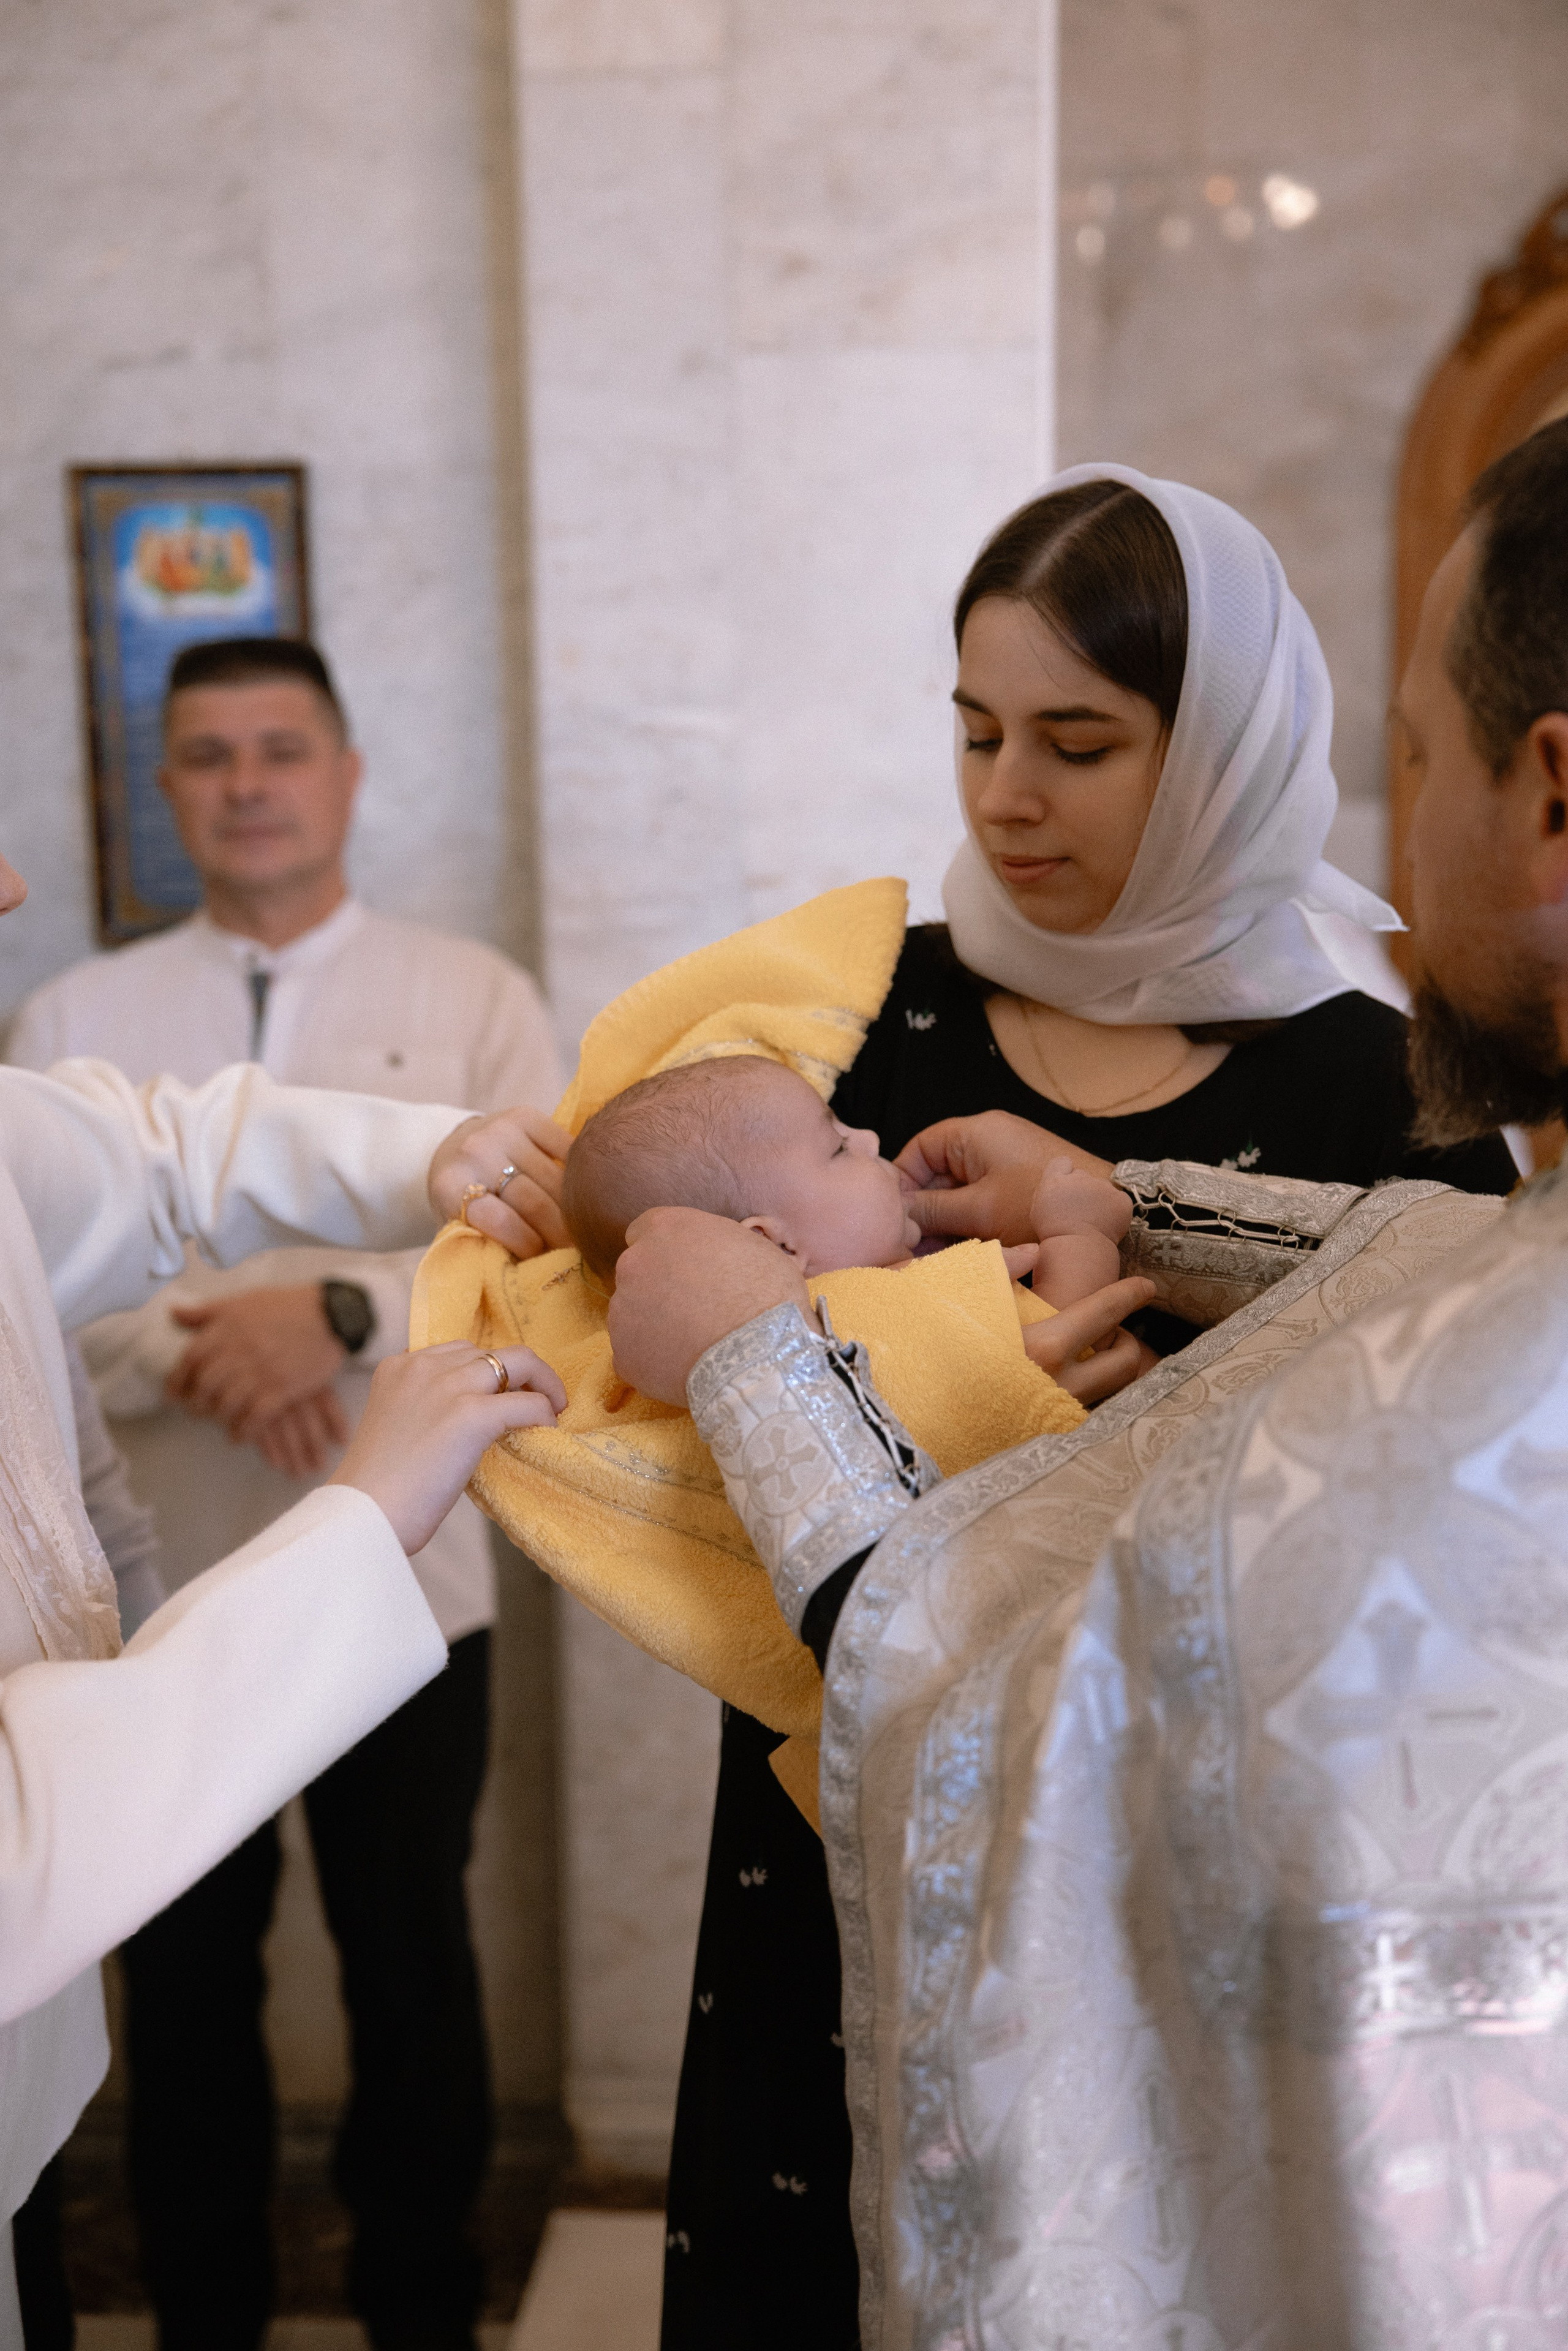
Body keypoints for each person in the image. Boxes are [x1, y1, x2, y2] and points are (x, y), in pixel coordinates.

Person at [607, 420, 1568, 2342]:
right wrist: (1110, 1200)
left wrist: (769, 1365)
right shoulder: (880, 1006)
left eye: (1405, 758)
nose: (1011, 792)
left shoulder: (1411, 1115)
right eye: (976, 731)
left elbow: (1033, 1729)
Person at [6, 634, 564, 2351]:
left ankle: (425, 2309)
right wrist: (202, 1344)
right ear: (169, 783)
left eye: (280, 749)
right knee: (179, 1991)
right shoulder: (79, 1007)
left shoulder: (469, 989)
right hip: (155, 1604)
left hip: (412, 1585)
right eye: (208, 755)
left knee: (412, 1967)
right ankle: (204, 2315)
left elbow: (528, 1253)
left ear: (347, 771)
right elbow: (65, 1299)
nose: (246, 783)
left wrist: (328, 1309)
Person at [562, 1051, 1147, 1341]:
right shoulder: (860, 1321)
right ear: (774, 1245)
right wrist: (1082, 1237)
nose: (869, 1137)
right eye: (838, 1148)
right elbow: (1055, 1353)